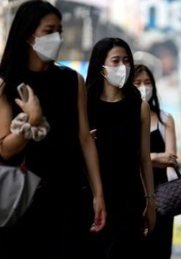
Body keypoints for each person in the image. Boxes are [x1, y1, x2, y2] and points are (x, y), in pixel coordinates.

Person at [0, 1, 106, 258]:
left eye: (59, 30)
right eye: (48, 31)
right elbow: (4, 149)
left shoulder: (72, 80)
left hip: (69, 196)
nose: (57, 37)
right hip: (25, 200)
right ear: (28, 35)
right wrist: (33, 121)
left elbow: (85, 139)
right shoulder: (7, 83)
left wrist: (98, 194)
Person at [86, 38, 156, 259]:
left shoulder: (139, 107)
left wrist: (150, 201)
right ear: (101, 67)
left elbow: (144, 158)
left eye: (127, 61)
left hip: (129, 198)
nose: (123, 67)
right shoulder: (84, 104)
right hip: (91, 197)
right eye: (115, 61)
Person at [134, 64, 178, 259]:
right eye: (137, 82)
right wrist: (156, 157)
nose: (143, 87)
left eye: (147, 82)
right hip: (132, 193)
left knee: (159, 248)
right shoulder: (124, 118)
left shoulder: (165, 119)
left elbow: (171, 159)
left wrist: (141, 158)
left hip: (161, 196)